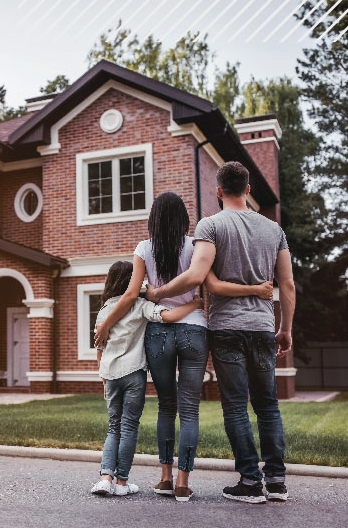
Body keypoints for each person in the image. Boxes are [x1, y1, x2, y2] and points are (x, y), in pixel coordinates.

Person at [94, 192, 273, 502]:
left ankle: (163, 478)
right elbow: (209, 283)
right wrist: (197, 302)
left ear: (153, 218)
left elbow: (130, 295)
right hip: (194, 330)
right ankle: (182, 483)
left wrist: (107, 323)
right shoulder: (196, 246)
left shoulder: (144, 248)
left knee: (166, 405)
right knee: (189, 411)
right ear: (183, 219)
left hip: (159, 333)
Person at [145, 161, 295, 504]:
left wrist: (158, 293)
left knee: (236, 407)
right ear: (248, 189)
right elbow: (286, 283)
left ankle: (250, 482)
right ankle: (277, 481)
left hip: (227, 328)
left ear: (218, 191)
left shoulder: (211, 225)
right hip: (262, 327)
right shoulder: (274, 230)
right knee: (268, 406)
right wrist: (285, 328)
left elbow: (198, 277)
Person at [90, 260, 205, 497]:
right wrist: (194, 304)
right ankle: (121, 482)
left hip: (110, 376)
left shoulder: (103, 311)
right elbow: (170, 316)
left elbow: (99, 348)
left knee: (114, 427)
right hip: (134, 374)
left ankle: (104, 478)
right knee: (129, 426)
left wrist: (103, 379)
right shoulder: (140, 306)